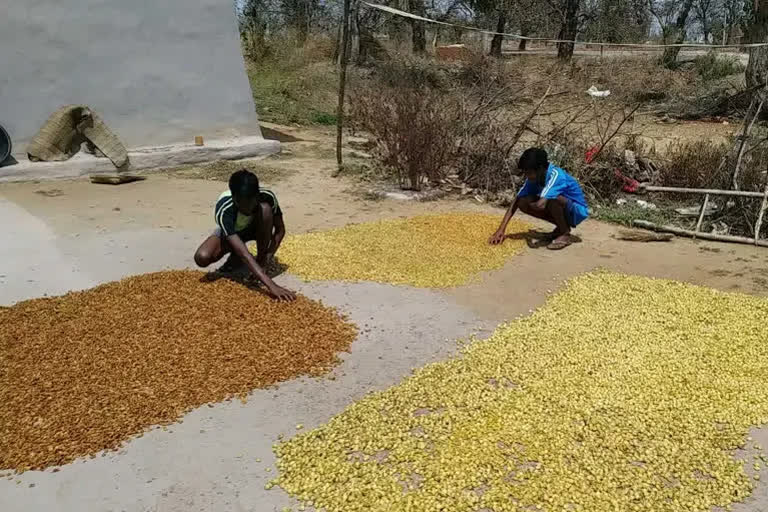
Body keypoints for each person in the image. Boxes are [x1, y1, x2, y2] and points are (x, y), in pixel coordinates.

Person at [194, 169, 296, 301]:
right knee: (202, 257)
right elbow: (245, 254)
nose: (245, 209)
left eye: (249, 204)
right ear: (233, 198)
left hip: (257, 227)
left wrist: (266, 259)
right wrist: (271, 286)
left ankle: (260, 259)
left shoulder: (267, 197)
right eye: (239, 204)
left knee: (265, 210)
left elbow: (280, 230)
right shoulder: (224, 208)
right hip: (233, 234)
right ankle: (235, 258)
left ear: (257, 196)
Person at [489, 147, 589, 250]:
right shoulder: (534, 178)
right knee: (522, 201)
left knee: (552, 199)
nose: (527, 176)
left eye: (529, 172)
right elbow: (517, 199)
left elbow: (541, 205)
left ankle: (564, 233)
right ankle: (561, 227)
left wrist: (532, 204)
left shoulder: (556, 175)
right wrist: (501, 230)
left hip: (576, 211)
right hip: (561, 208)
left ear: (540, 168)